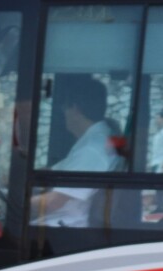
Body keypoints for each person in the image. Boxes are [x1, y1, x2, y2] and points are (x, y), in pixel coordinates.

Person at [30, 75, 126, 228]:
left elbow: (53, 203)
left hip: (63, 228)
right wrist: (15, 179)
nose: (63, 113)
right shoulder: (97, 138)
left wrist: (15, 201)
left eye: (64, 107)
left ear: (74, 108)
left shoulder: (92, 150)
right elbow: (53, 172)